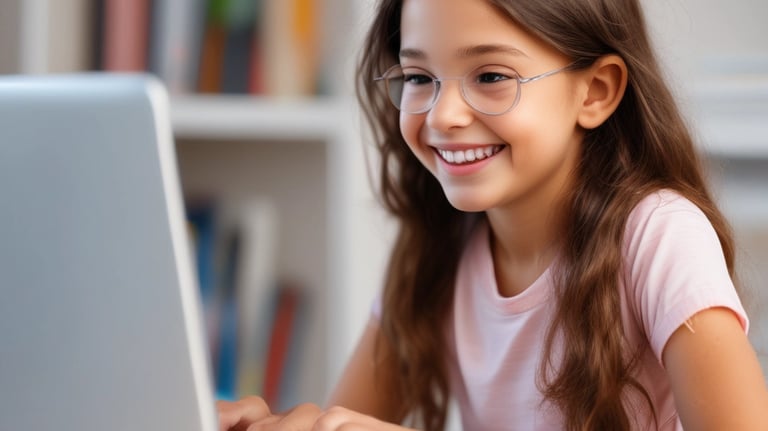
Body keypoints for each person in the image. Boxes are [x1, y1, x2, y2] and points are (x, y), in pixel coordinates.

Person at [217, 0, 768, 429]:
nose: (444, 115)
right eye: (418, 78)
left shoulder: (661, 236)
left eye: (491, 76)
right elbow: (350, 413)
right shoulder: (438, 250)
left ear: (596, 92)